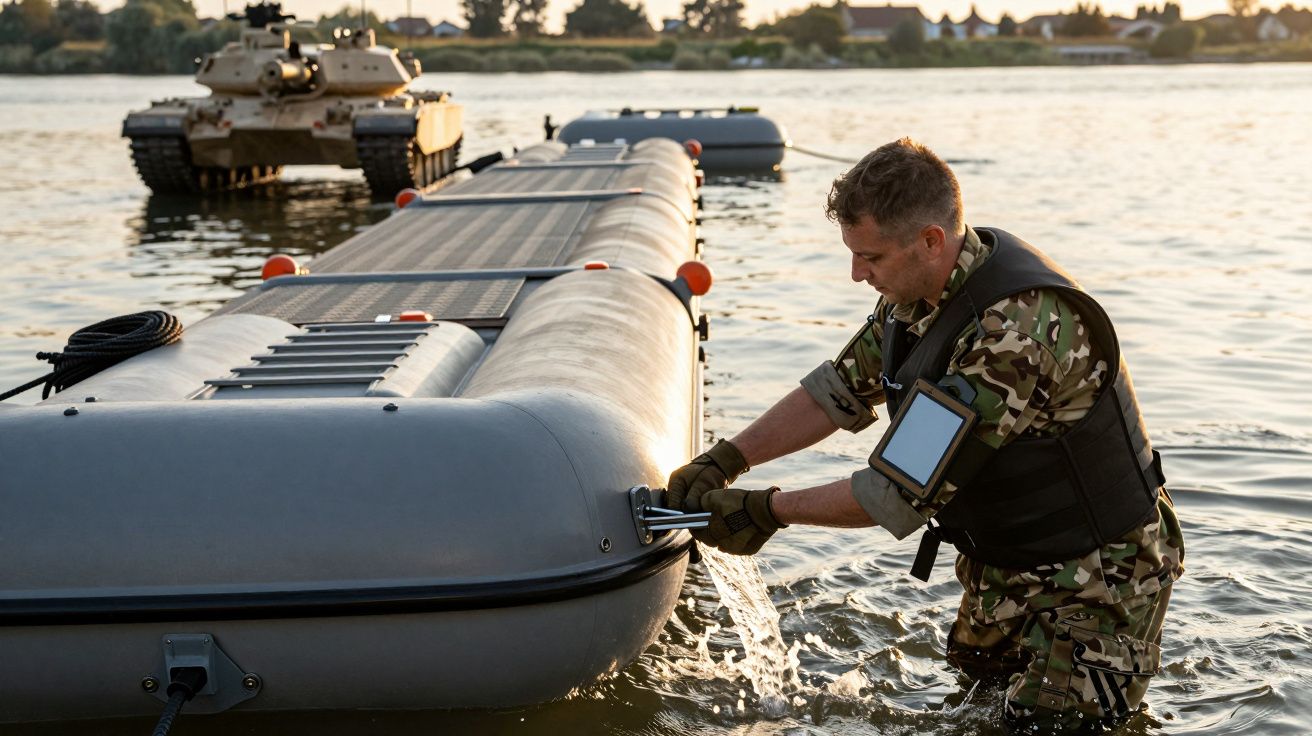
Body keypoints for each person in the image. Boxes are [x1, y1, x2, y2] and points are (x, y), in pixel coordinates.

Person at [667, 138, 1185, 733]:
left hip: (1101, 577)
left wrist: (765, 511)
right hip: (1006, 560)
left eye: (871, 258)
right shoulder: (914, 298)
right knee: (975, 695)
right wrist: (726, 460)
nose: (857, 274)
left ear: (931, 241)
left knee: (1052, 726)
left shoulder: (1013, 336)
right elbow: (835, 391)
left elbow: (896, 490)